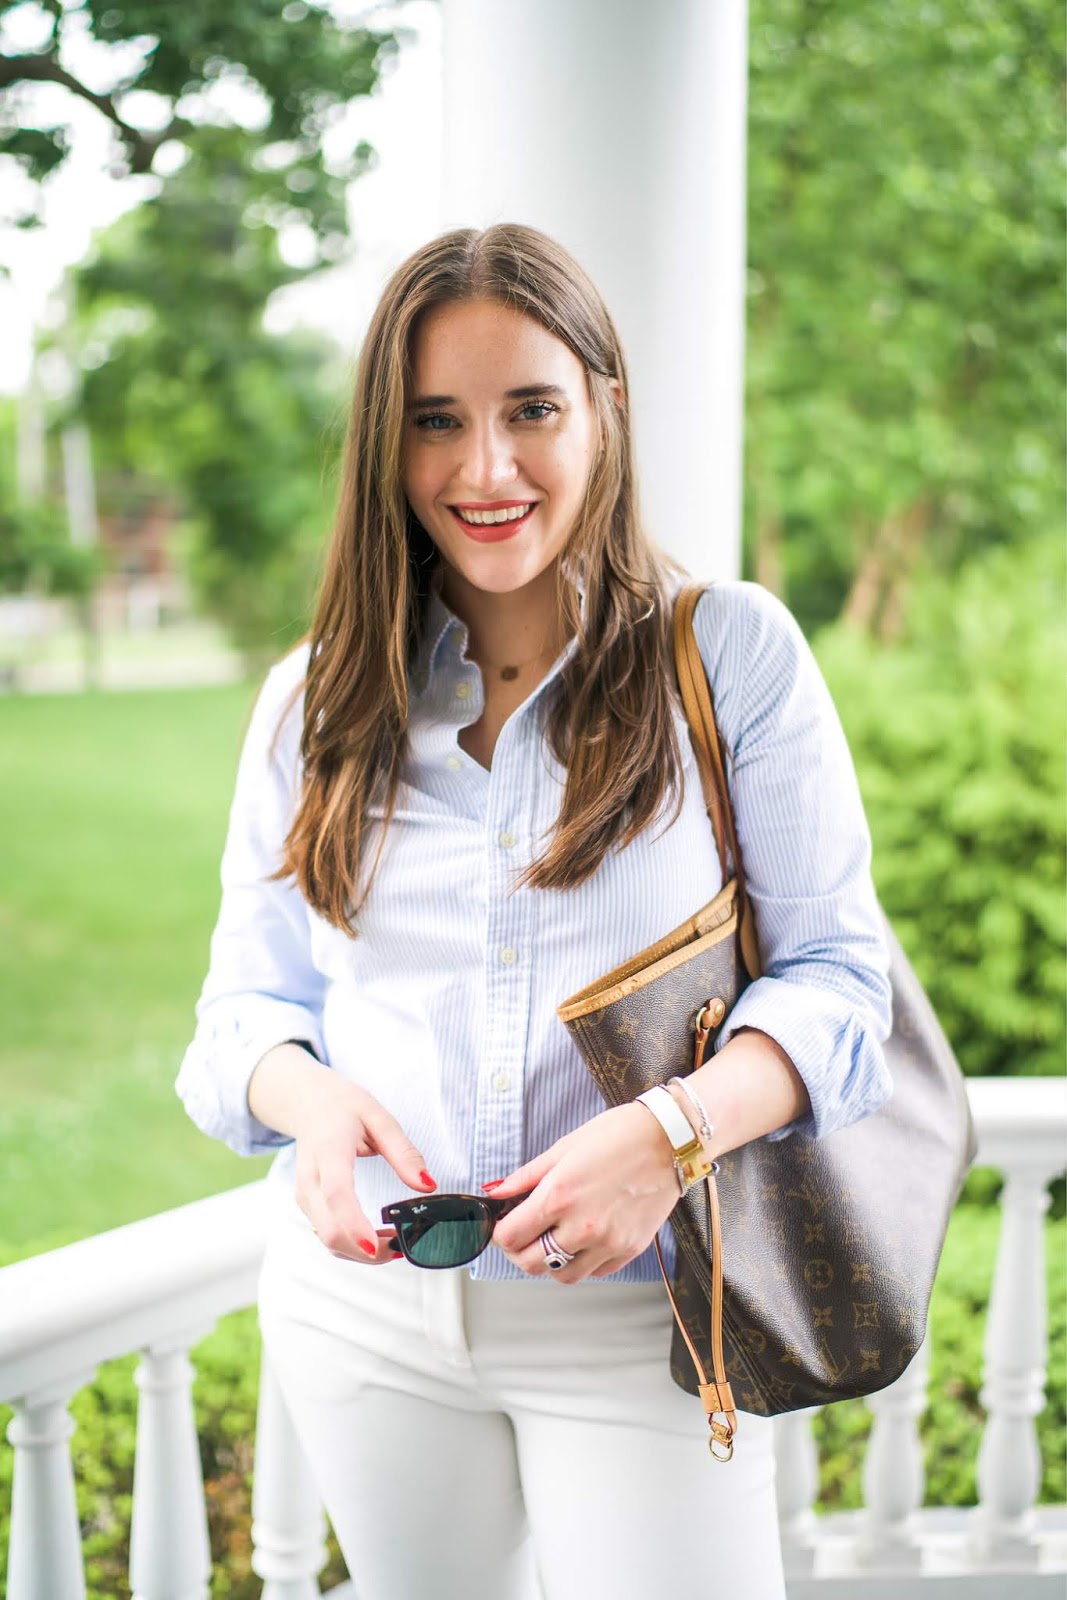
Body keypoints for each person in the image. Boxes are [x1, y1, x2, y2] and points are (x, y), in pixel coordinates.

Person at [176, 223, 893, 1600]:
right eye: (435, 420)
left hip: (639, 1324)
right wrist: (310, 1104)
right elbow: (244, 1016)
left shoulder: (728, 653)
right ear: (386, 444)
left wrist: (667, 1133)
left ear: (607, 412)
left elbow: (838, 988)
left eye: (532, 412)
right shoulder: (313, 698)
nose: (484, 469)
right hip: (365, 1310)